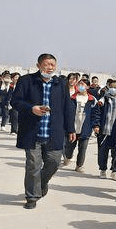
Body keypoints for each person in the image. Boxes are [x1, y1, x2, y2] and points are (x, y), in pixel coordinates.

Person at [10, 53, 76, 209]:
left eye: (53, 64)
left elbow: (67, 108)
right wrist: (31, 108)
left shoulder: (61, 83)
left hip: (54, 132)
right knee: (33, 165)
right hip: (32, 132)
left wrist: (71, 128)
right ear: (38, 65)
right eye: (47, 64)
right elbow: (15, 101)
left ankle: (41, 183)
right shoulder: (27, 81)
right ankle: (31, 197)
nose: (50, 67)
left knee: (54, 163)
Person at [63, 78, 99, 172]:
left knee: (82, 149)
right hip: (73, 127)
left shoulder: (92, 99)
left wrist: (95, 125)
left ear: (87, 86)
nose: (80, 86)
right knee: (69, 147)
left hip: (85, 127)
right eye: (79, 84)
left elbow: (95, 114)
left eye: (83, 84)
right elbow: (66, 112)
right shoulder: (72, 98)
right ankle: (68, 157)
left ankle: (79, 165)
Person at [94, 79, 116, 179]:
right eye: (112, 87)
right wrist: (97, 125)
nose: (113, 89)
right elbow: (97, 113)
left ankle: (114, 171)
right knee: (103, 152)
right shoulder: (103, 100)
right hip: (104, 130)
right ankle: (102, 170)